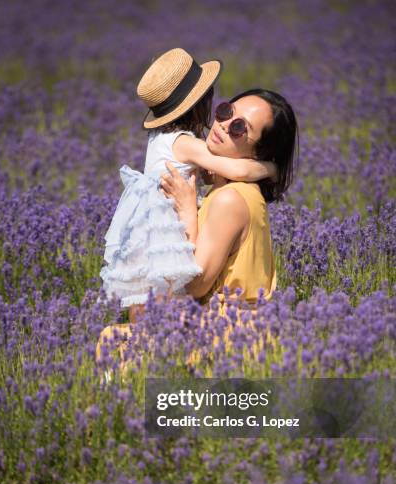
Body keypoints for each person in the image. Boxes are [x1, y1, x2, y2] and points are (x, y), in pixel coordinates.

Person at [96, 88, 298, 370]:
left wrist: (187, 210)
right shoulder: (233, 192)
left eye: (240, 128)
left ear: (258, 152)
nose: (225, 125)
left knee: (113, 342)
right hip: (225, 330)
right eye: (226, 111)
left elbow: (195, 284)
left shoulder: (229, 198)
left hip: (227, 338)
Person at [100, 49, 277, 324]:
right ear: (200, 104)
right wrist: (271, 168)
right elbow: (235, 169)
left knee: (148, 300)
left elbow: (206, 174)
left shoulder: (161, 138)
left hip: (146, 229)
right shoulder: (184, 143)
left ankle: (140, 354)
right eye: (220, 109)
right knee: (167, 299)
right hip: (167, 227)